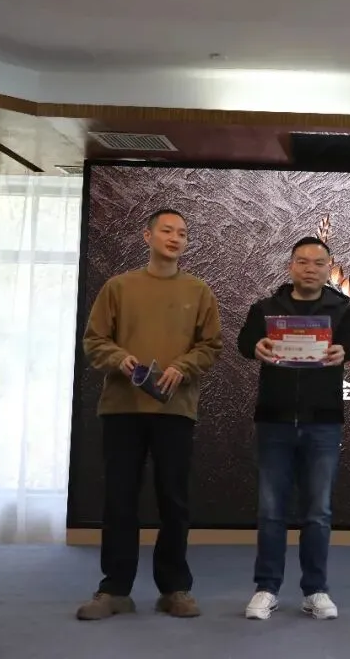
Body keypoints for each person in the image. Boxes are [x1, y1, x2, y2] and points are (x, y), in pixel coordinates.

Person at [77, 208, 223, 621]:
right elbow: (94, 340)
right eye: (167, 231)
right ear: (147, 236)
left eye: (183, 233)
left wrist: (183, 366)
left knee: (173, 500)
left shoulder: (199, 290)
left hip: (175, 410)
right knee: (119, 499)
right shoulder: (118, 287)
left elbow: (211, 345)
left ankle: (174, 588)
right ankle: (114, 589)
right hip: (122, 409)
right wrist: (119, 358)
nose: (175, 238)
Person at [236, 237, 350, 621]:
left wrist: (344, 351)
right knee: (271, 511)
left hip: (323, 422)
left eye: (318, 263)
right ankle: (266, 588)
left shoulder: (343, 311)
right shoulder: (266, 308)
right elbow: (244, 342)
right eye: (302, 262)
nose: (310, 269)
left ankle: (315, 590)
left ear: (329, 268)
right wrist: (256, 346)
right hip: (274, 419)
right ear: (290, 265)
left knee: (318, 512)